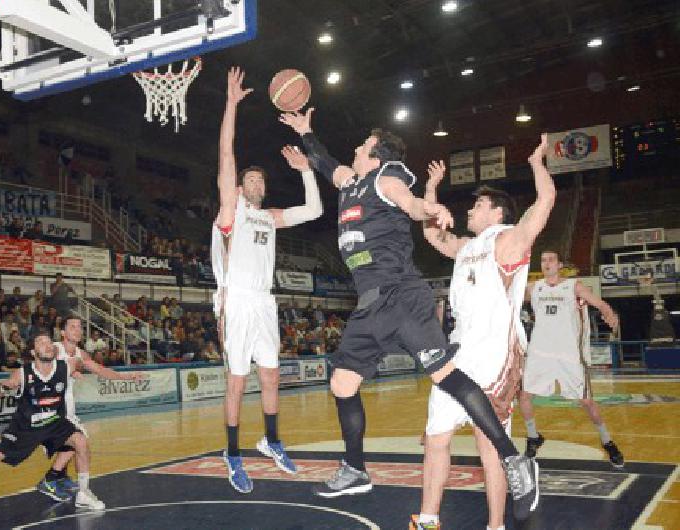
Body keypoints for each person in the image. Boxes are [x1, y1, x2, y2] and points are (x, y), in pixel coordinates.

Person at [280, 108, 539, 520]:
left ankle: (512, 458)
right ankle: (355, 469)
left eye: (362, 145)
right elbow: (326, 162)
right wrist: (307, 133)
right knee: (342, 384)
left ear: (376, 155)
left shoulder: (387, 178)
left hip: (401, 294)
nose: (355, 149)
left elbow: (410, 203)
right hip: (368, 305)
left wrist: (430, 210)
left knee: (447, 377)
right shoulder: (351, 181)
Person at [411, 136, 555, 530]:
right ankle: (427, 519)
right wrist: (430, 192)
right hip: (457, 353)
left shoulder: (508, 241)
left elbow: (544, 203)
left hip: (494, 355)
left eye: (477, 205)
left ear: (496, 213)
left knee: (489, 448)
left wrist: (537, 162)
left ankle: (495, 525)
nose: (470, 210)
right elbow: (430, 235)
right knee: (436, 437)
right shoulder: (467, 247)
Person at [212, 67, 323, 494]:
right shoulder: (231, 212)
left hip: (264, 301)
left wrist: (306, 169)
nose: (257, 181)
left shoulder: (269, 217)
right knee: (238, 381)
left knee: (272, 376)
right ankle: (233, 452)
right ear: (239, 188)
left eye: (261, 178)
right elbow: (226, 156)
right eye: (250, 179)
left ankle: (271, 439)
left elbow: (313, 210)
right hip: (235, 301)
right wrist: (231, 104)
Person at [0, 330, 104, 515]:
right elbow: (0, 390)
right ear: (34, 353)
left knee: (80, 441)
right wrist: (2, 389)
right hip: (25, 427)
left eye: (50, 342)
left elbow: (88, 362)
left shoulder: (65, 366)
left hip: (54, 423)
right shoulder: (22, 374)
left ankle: (83, 493)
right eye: (42, 343)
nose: (48, 345)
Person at [518, 250, 624, 466]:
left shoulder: (573, 286)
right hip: (540, 352)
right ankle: (533, 437)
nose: (547, 263)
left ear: (559, 265)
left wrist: (608, 311)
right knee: (524, 396)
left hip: (568, 354)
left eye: (551, 260)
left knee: (586, 401)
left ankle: (607, 441)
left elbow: (599, 302)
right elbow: (507, 296)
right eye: (543, 260)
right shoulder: (534, 288)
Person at [36, 317, 142, 500]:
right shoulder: (53, 349)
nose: (78, 330)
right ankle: (51, 479)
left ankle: (60, 476)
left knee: (73, 443)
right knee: (80, 442)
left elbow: (101, 371)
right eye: (72, 327)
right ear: (62, 332)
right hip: (47, 407)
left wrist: (127, 376)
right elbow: (38, 368)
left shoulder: (81, 355)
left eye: (80, 327)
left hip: (66, 407)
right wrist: (66, 370)